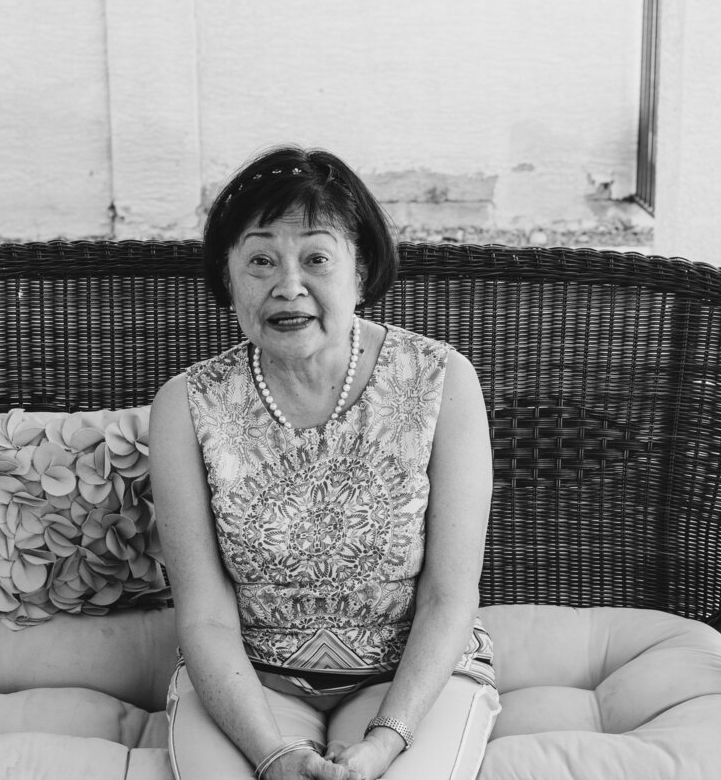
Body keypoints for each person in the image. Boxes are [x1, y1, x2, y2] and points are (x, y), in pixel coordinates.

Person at [150, 145, 499, 780]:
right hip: (250, 683)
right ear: (228, 275)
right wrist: (271, 755)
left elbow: (449, 597)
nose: (288, 286)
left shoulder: (442, 380)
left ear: (360, 271)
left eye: (316, 258)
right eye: (260, 261)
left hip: (409, 679)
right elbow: (203, 615)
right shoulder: (186, 405)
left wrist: (385, 743)